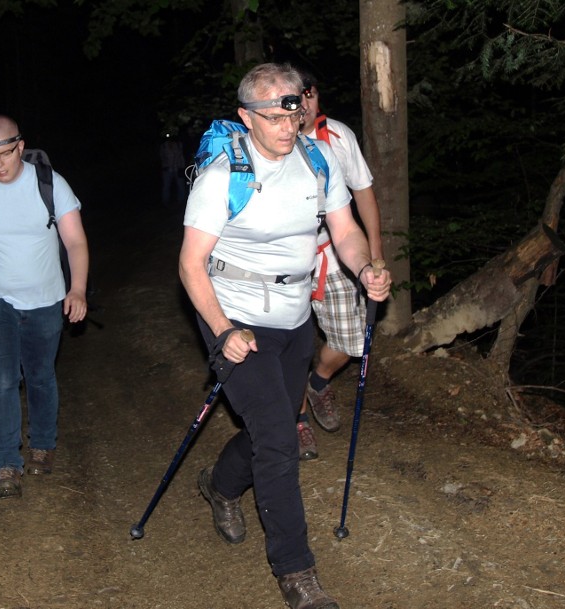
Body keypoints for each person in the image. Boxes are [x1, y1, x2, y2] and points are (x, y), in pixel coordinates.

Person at [179, 63, 391, 609]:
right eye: (273, 115)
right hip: (235, 315)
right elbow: (190, 264)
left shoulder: (318, 160)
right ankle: (296, 573)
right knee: (279, 439)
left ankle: (221, 486)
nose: (286, 124)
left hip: (296, 316)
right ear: (246, 117)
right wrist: (223, 329)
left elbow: (343, 231)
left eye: (292, 110)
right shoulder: (223, 174)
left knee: (266, 428)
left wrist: (366, 267)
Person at [0, 115, 89, 499]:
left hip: (45, 300)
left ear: (20, 147)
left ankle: (43, 442)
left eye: (6, 154)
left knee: (41, 375)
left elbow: (74, 241)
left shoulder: (50, 184)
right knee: (3, 379)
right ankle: (7, 463)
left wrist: (77, 290)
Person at [295, 71, 384, 461]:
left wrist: (374, 257)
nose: (305, 104)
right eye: (297, 97)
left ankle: (318, 381)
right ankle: (297, 422)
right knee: (289, 351)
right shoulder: (271, 145)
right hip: (288, 265)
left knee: (351, 342)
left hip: (335, 257)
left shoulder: (338, 137)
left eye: (310, 94)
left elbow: (363, 195)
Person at [159, 132, 187, 207]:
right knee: (166, 186)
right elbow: (162, 157)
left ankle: (181, 202)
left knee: (181, 186)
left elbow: (181, 157)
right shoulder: (164, 146)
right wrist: (164, 166)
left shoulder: (179, 144)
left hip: (178, 168)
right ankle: (165, 202)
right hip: (167, 169)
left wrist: (182, 167)